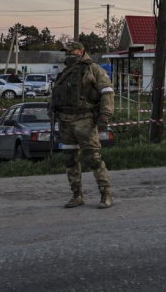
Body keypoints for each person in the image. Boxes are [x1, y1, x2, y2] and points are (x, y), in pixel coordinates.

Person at [49, 41, 115, 209]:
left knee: (92, 158)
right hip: (65, 122)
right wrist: (51, 109)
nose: (68, 54)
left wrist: (105, 115)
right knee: (69, 159)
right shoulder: (65, 72)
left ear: (81, 51)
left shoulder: (94, 69)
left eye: (72, 51)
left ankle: (106, 194)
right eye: (66, 51)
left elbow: (107, 92)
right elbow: (57, 93)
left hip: (85, 120)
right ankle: (77, 195)